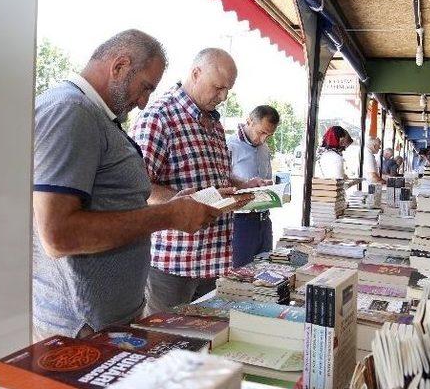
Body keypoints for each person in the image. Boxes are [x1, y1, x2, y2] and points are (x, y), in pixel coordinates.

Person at [32, 30, 226, 341]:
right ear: (120, 66)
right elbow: (58, 235)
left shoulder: (92, 114)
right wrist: (168, 216)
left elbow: (116, 201)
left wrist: (175, 203)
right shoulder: (71, 111)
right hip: (82, 327)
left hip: (106, 320)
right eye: (145, 87)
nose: (143, 101)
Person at [131, 48, 253, 315]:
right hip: (174, 264)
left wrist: (241, 185)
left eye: (227, 90)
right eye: (218, 87)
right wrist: (186, 202)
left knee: (203, 345)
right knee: (167, 347)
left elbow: (213, 174)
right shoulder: (159, 117)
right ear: (196, 73)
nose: (222, 97)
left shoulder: (215, 123)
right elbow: (137, 188)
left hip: (215, 259)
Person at [227, 105, 280, 267]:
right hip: (240, 222)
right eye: (261, 132)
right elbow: (221, 182)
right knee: (241, 275)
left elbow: (266, 179)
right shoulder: (229, 145)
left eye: (269, 135)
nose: (264, 139)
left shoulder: (264, 149)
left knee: (264, 273)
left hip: (264, 220)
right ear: (249, 121)